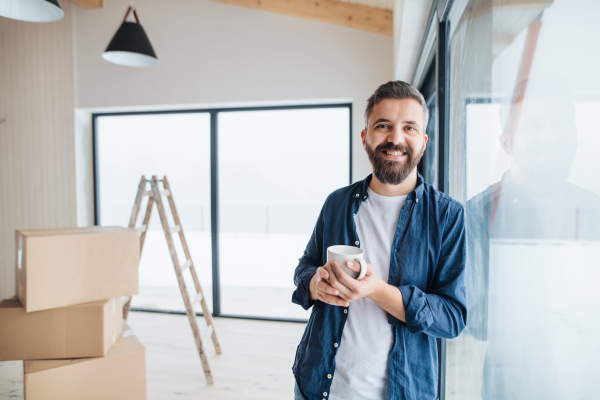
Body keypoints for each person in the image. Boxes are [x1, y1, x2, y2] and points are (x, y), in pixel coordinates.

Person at [291, 80, 467, 400]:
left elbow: (453, 317)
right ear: (365, 138)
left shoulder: (448, 216)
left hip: (405, 391)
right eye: (383, 126)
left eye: (409, 128)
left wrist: (378, 291)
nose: (395, 139)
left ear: (424, 141)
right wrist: (314, 284)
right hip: (319, 384)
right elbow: (305, 265)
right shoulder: (337, 203)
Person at [465, 77, 600, 399]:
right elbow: (479, 321)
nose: (552, 136)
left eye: (562, 124)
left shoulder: (593, 207)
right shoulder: (479, 214)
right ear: (507, 142)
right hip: (516, 387)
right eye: (535, 126)